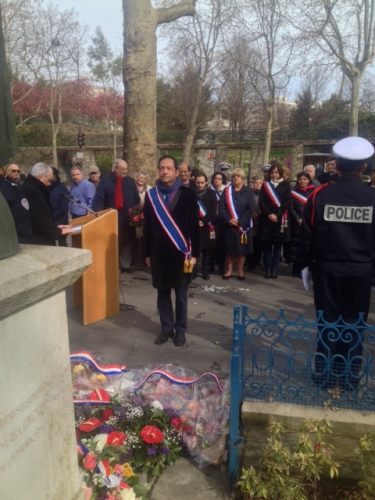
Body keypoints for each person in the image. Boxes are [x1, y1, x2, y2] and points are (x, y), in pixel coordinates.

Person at [297, 136, 375, 391]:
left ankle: (325, 375)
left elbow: (306, 234)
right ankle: (350, 378)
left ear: (337, 166)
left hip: (327, 268)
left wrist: (304, 265)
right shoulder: (372, 197)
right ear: (364, 167)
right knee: (354, 324)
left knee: (327, 322)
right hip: (361, 269)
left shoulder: (320, 195)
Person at [143, 155, 200, 347]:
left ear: (176, 172)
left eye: (169, 168)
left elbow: (194, 227)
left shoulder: (188, 194)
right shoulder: (151, 196)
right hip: (159, 253)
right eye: (162, 168)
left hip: (181, 253)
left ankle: (180, 330)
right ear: (158, 170)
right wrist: (147, 254)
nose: (165, 171)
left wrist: (195, 254)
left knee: (181, 297)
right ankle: (166, 329)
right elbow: (147, 227)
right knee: (162, 295)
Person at [93, 159, 140, 273]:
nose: (125, 171)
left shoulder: (130, 181)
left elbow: (136, 199)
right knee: (113, 241)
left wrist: (136, 212)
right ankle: (113, 264)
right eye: (122, 169)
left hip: (127, 217)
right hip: (111, 217)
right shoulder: (105, 180)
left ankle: (125, 264)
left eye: (126, 169)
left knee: (126, 241)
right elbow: (99, 199)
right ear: (115, 169)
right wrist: (98, 215)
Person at [21, 163, 71, 245]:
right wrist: (56, 231)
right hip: (38, 239)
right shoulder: (31, 190)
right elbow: (39, 218)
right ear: (41, 176)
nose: (49, 184)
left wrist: (54, 228)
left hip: (42, 235)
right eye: (48, 180)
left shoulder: (35, 187)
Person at [219, 168, 255, 281]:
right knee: (229, 250)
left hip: (242, 227)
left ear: (242, 178)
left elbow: (251, 209)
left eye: (238, 176)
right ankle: (229, 271)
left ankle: (240, 271)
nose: (235, 178)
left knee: (241, 250)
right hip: (229, 226)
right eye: (234, 176)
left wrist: (239, 221)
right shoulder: (226, 191)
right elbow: (221, 208)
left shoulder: (249, 192)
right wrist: (229, 219)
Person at [259, 162, 291, 279]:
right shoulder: (265, 185)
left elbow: (287, 203)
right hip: (267, 220)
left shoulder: (286, 185)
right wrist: (269, 214)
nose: (274, 175)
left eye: (276, 172)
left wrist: (277, 215)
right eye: (272, 172)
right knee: (267, 246)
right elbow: (261, 202)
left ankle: (274, 269)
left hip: (280, 220)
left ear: (280, 173)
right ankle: (267, 269)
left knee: (278, 247)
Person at [289, 171, 315, 277]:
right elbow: (291, 208)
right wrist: (297, 219)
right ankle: (295, 269)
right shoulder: (293, 192)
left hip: (309, 224)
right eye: (300, 179)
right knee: (295, 247)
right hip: (297, 224)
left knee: (306, 247)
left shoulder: (313, 192)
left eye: (304, 179)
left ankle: (305, 269)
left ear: (309, 180)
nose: (302, 181)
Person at [0, 163, 33, 243]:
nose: (16, 173)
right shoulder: (10, 188)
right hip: (10, 239)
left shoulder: (18, 185)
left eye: (18, 171)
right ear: (5, 170)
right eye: (13, 171)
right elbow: (21, 218)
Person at [195, 172, 217, 280]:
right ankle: (193, 271)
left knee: (207, 250)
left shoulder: (211, 194)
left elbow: (213, 210)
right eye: (198, 183)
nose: (200, 185)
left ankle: (205, 271)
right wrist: (196, 221)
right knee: (195, 250)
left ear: (206, 182)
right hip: (195, 226)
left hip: (207, 225)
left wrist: (203, 221)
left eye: (202, 183)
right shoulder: (191, 193)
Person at [210, 171, 227, 274]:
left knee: (221, 245)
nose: (217, 180)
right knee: (212, 244)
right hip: (212, 221)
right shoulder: (209, 190)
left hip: (223, 220)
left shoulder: (227, 190)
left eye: (219, 179)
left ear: (223, 180)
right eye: (215, 178)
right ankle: (210, 266)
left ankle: (221, 267)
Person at [245, 176, 262, 272]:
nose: (258, 184)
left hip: (260, 222)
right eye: (256, 183)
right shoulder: (249, 194)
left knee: (258, 244)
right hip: (250, 221)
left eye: (260, 183)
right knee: (250, 242)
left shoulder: (265, 195)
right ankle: (249, 262)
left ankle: (256, 260)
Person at [50, 167, 70, 247]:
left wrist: (53, 215)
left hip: (61, 220)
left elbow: (64, 207)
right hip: (50, 221)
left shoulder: (62, 188)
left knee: (62, 244)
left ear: (54, 175)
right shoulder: (46, 187)